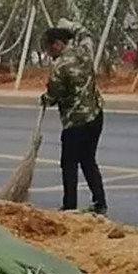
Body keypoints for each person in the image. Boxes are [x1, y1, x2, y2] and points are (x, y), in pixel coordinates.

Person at [40, 19, 107, 215]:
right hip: (95, 116)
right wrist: (69, 24)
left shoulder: (60, 67)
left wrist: (44, 99)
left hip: (75, 123)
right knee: (88, 160)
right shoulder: (84, 51)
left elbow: (53, 96)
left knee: (69, 164)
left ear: (56, 45)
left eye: (48, 48)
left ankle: (70, 205)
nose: (48, 53)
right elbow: (86, 34)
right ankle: (100, 202)